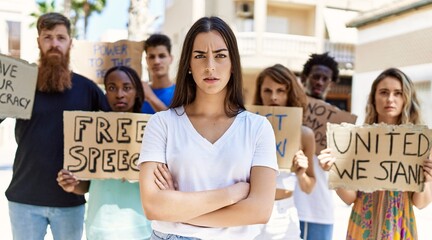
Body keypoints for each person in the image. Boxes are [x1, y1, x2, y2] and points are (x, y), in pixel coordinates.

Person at [138, 16, 278, 240]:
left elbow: (260, 210)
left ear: (233, 64)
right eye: (200, 56)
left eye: (221, 55)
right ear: (189, 65)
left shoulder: (258, 127)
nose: (210, 66)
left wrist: (178, 211)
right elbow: (153, 206)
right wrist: (232, 194)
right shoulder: (162, 123)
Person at [2, 12, 110, 240]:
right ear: (39, 42)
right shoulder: (21, 83)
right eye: (47, 37)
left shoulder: (88, 89)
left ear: (70, 42)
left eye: (60, 37)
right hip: (24, 199)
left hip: (70, 201)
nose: (54, 44)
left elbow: (112, 136)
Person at [319, 68, 432, 239]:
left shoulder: (419, 143)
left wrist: (426, 180)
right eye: (384, 92)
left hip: (399, 228)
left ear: (406, 98)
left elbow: (420, 203)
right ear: (373, 98)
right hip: (362, 228)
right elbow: (350, 198)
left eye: (398, 93)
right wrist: (334, 171)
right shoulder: (357, 139)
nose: (390, 99)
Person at [57, 66, 152, 239]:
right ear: (105, 92)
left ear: (137, 92)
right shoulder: (91, 130)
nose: (120, 94)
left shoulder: (151, 131)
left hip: (141, 228)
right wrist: (71, 184)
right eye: (112, 88)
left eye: (127, 87)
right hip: (100, 228)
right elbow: (86, 185)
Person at [252, 64, 316, 240]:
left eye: (280, 90)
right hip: (250, 212)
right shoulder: (246, 129)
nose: (273, 97)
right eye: (267, 90)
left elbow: (309, 187)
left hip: (284, 214)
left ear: (290, 94)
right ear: (259, 93)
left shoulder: (304, 134)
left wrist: (302, 173)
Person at [296, 52, 339, 240]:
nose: (319, 82)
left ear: (331, 83)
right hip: (289, 206)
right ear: (304, 78)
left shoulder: (339, 124)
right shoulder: (289, 115)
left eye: (325, 78)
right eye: (315, 76)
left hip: (321, 209)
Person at [141, 34, 175, 114]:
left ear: (170, 59)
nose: (156, 62)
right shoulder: (140, 93)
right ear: (146, 60)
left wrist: (150, 97)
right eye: (152, 57)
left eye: (162, 56)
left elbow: (177, 124)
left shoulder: (181, 93)